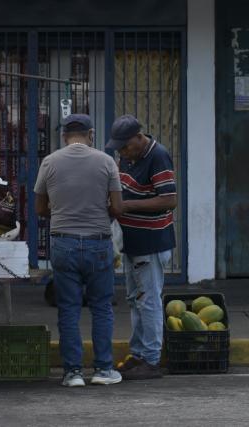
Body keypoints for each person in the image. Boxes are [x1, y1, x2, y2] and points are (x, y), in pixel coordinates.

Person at [35, 114, 123, 387]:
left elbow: (40, 208)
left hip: (64, 242)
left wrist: (64, 211)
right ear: (91, 134)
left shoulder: (50, 162)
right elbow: (118, 208)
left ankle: (73, 373)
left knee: (69, 309)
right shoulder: (107, 162)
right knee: (101, 308)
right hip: (98, 242)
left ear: (64, 136)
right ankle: (103, 370)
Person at [107, 115, 178, 380]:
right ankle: (138, 355)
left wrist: (126, 206)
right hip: (131, 241)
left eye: (126, 146)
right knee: (134, 301)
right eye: (119, 148)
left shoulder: (158, 156)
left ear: (139, 137)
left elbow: (169, 200)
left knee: (148, 302)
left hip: (151, 241)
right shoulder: (127, 157)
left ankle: (151, 359)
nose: (123, 152)